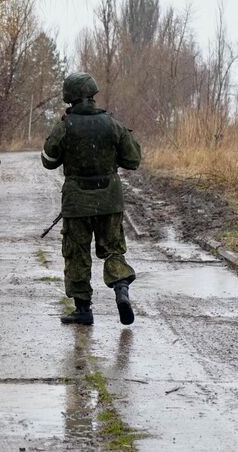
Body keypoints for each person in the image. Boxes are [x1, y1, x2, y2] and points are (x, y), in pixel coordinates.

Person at [41, 72, 142, 325]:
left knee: (77, 254)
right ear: (93, 95)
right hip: (109, 200)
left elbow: (49, 161)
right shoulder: (112, 124)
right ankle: (121, 289)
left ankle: (83, 309)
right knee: (113, 250)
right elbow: (133, 160)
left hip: (77, 203)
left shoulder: (65, 126)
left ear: (70, 98)